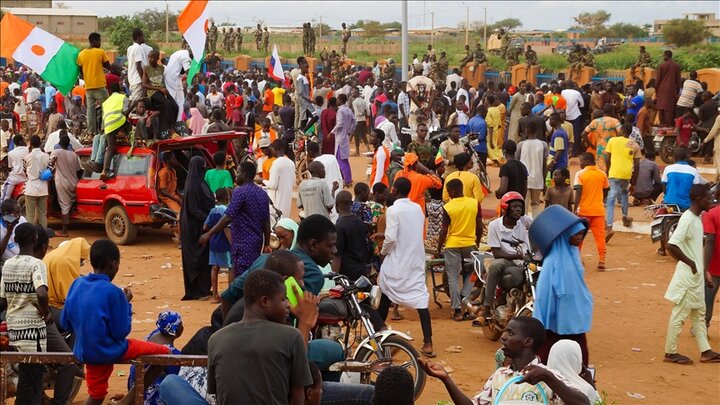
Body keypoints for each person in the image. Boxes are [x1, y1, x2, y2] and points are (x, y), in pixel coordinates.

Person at [60, 239, 171, 404]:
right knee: (164, 353)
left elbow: (64, 322)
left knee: (96, 395)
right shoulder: (113, 292)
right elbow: (120, 332)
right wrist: (126, 304)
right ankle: (129, 400)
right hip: (107, 349)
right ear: (113, 265)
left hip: (84, 350)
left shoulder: (77, 284)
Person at [419, 317, 590, 405]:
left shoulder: (548, 376)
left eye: (510, 333)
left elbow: (583, 403)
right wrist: (446, 379)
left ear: (528, 342)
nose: (503, 336)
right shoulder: (499, 375)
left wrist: (548, 378)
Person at [208, 270, 314, 404]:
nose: (288, 304)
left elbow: (218, 394)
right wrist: (305, 323)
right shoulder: (291, 336)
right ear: (264, 301)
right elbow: (298, 398)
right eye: (283, 299)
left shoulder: (216, 339)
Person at [377, 177, 435, 357]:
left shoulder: (393, 210)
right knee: (420, 300)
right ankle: (428, 342)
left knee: (385, 292)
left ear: (394, 190)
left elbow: (392, 237)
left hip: (398, 259)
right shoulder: (417, 208)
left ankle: (378, 335)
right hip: (415, 259)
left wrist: (383, 251)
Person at [664, 184, 720, 364]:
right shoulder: (688, 219)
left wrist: (703, 272)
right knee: (679, 314)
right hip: (688, 277)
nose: (711, 200)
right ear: (698, 199)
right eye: (708, 197)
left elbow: (695, 249)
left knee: (699, 314)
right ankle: (670, 352)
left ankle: (706, 351)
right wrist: (691, 264)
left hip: (695, 276)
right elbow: (672, 245)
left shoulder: (697, 218)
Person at [530, 206, 593, 366]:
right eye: (576, 233)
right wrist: (540, 324)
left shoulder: (575, 256)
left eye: (581, 233)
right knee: (547, 359)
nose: (580, 236)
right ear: (565, 235)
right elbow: (544, 296)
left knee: (580, 360)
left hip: (575, 321)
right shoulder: (553, 262)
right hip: (554, 323)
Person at [0, 223, 50, 405]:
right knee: (34, 380)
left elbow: (3, 300)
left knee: (25, 377)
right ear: (35, 239)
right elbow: (42, 293)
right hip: (33, 330)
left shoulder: (8, 264)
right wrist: (46, 313)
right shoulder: (37, 264)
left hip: (13, 326)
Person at [201, 161, 270, 282]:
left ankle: (242, 299)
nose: (235, 176)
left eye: (237, 173)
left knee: (242, 278)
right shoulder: (262, 194)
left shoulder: (239, 192)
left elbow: (228, 217)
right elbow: (266, 221)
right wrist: (267, 243)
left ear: (244, 174)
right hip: (257, 242)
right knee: (252, 273)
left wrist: (209, 233)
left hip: (242, 244)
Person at [437, 178, 483, 321]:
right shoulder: (474, 203)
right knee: (473, 273)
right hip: (470, 243)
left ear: (452, 191)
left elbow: (444, 231)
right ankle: (465, 297)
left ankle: (457, 310)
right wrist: (477, 242)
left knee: (452, 276)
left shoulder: (448, 207)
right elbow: (479, 226)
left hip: (452, 245)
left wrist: (439, 248)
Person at [483, 192, 532, 320]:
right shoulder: (494, 225)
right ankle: (486, 308)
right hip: (506, 260)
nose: (518, 209)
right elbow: (496, 253)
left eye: (520, 207)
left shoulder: (525, 221)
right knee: (495, 265)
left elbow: (539, 229)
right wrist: (518, 256)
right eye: (514, 206)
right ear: (505, 208)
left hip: (526, 261)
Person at [127, 311, 184, 405]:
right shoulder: (172, 353)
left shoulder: (153, 334)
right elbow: (178, 375)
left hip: (133, 383)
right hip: (147, 392)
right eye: (181, 324)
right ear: (177, 330)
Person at [180, 157, 215, 300]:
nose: (205, 167)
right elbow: (193, 209)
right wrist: (208, 218)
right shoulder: (193, 187)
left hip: (202, 228)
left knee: (204, 258)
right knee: (196, 259)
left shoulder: (201, 183)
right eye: (203, 165)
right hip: (194, 229)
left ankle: (204, 288)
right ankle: (196, 291)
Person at [573, 153, 609, 270]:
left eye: (581, 160)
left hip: (584, 210)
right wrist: (601, 200)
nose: (580, 163)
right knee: (600, 237)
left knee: (579, 236)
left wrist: (575, 209)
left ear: (587, 161)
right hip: (598, 210)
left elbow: (578, 192)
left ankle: (577, 259)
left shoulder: (580, 174)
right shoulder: (602, 174)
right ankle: (601, 260)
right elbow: (606, 190)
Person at [76, 33, 115, 135]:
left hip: (88, 87)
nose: (100, 43)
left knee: (90, 111)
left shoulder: (81, 54)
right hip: (100, 86)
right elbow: (108, 66)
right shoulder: (100, 52)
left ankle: (91, 132)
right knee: (106, 108)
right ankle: (104, 129)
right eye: (99, 41)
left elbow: (81, 70)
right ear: (94, 41)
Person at [604, 123, 640, 234]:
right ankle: (625, 217)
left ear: (621, 130)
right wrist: (634, 183)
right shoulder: (634, 145)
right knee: (624, 194)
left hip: (614, 173)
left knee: (611, 200)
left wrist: (608, 171)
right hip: (627, 174)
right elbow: (637, 165)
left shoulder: (612, 141)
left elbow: (607, 159)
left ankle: (609, 226)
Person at [547, 340, 601, 404]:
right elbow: (598, 403)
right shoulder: (585, 390)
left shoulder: (540, 384)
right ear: (577, 360)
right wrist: (593, 387)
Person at [333, 190, 371, 281]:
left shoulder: (339, 226)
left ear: (336, 205)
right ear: (351, 203)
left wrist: (335, 278)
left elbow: (337, 256)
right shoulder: (360, 222)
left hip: (346, 273)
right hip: (362, 270)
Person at [204, 187, 233, 303]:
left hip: (213, 243)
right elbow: (226, 229)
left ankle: (215, 295)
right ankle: (230, 295)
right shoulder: (226, 211)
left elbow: (205, 227)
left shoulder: (213, 211)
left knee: (215, 268)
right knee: (231, 267)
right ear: (227, 198)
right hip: (224, 244)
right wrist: (233, 243)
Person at [49, 132, 81, 236]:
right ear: (68, 144)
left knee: (64, 205)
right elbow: (77, 169)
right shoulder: (74, 155)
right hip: (74, 182)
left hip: (62, 182)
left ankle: (64, 231)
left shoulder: (56, 152)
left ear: (59, 142)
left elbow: (50, 163)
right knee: (69, 203)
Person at [143, 50, 180, 138]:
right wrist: (159, 88)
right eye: (149, 57)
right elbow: (144, 84)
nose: (150, 59)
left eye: (152, 57)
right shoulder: (146, 68)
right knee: (167, 104)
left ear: (157, 58)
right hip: (153, 92)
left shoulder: (161, 68)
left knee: (175, 106)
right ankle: (170, 129)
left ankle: (173, 124)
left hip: (163, 90)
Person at [393, 153, 442, 217]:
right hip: (417, 212)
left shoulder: (399, 174)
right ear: (416, 164)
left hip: (400, 211)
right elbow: (439, 183)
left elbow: (393, 191)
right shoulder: (421, 178)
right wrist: (428, 172)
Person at [516, 121, 548, 217]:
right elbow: (544, 165)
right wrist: (544, 181)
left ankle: (523, 225)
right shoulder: (543, 145)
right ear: (536, 131)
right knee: (536, 204)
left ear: (526, 131)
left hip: (524, 179)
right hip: (538, 178)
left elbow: (517, 162)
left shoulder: (521, 145)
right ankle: (535, 225)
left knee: (524, 203)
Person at [23, 135, 50, 228]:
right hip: (43, 188)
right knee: (43, 214)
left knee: (30, 215)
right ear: (40, 144)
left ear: (30, 144)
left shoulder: (27, 157)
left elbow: (24, 171)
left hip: (31, 188)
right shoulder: (46, 156)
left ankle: (29, 235)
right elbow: (50, 169)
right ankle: (44, 235)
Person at [264, 139, 295, 219]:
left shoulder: (276, 163)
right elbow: (293, 183)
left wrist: (262, 180)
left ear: (275, 149)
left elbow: (273, 185)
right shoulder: (291, 163)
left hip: (276, 201)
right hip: (287, 200)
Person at [703, 185, 720, 327]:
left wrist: (706, 268)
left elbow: (709, 241)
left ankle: (703, 327)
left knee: (707, 299)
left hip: (715, 266)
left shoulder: (711, 214)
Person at [332, 93, 355, 186]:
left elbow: (340, 123)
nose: (336, 101)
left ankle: (347, 180)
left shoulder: (340, 110)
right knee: (345, 160)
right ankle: (349, 179)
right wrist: (350, 131)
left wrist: (332, 132)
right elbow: (354, 122)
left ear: (340, 100)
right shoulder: (349, 110)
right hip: (345, 136)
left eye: (337, 99)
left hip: (340, 138)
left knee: (340, 160)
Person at [164, 48, 193, 123]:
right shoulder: (185, 56)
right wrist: (197, 74)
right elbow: (188, 70)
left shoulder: (179, 52)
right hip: (173, 79)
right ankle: (177, 122)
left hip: (172, 78)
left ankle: (175, 121)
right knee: (178, 102)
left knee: (177, 101)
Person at [655, 50, 682, 126]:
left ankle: (662, 123)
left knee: (661, 107)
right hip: (671, 89)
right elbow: (678, 80)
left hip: (662, 89)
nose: (663, 57)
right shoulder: (677, 66)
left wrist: (656, 90)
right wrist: (677, 91)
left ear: (666, 56)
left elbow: (658, 80)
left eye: (664, 56)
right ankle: (668, 124)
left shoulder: (661, 66)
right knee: (669, 107)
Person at [126, 28, 151, 102]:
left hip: (132, 78)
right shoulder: (138, 48)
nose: (144, 38)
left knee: (138, 101)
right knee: (137, 102)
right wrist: (143, 80)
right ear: (138, 37)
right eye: (142, 36)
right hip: (138, 80)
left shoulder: (130, 48)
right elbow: (138, 66)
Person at [1, 135, 28, 202]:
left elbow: (10, 167)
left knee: (5, 197)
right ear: (21, 141)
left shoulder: (11, 153)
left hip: (14, 178)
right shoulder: (28, 150)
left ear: (15, 143)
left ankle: (4, 209)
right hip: (26, 177)